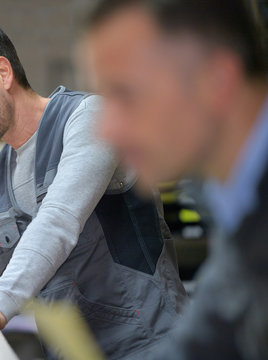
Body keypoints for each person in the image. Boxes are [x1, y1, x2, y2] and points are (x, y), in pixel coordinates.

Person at [0, 17, 186, 359]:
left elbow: (58, 221)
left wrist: (0, 303)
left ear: (3, 73)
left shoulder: (88, 119)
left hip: (145, 346)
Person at [81, 0, 268, 359]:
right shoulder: (233, 197)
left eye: (125, 93)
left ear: (217, 81)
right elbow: (207, 339)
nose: (106, 130)